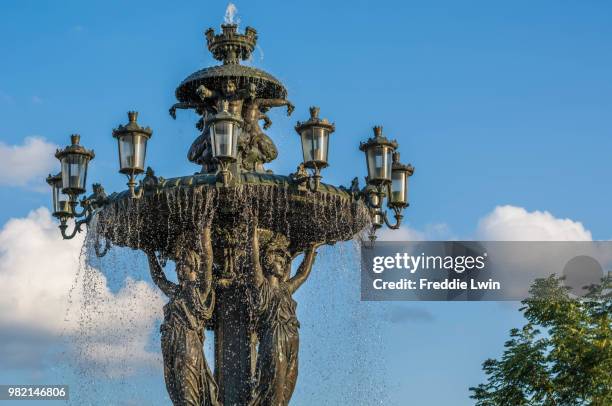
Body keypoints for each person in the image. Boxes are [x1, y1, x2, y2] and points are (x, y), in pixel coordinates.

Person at [249, 220, 322, 406]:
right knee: (274, 388)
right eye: (279, 261)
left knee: (288, 385)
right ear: (268, 263)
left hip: (292, 338)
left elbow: (302, 275)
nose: (282, 265)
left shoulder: (285, 289)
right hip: (275, 338)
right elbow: (254, 260)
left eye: (283, 262)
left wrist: (311, 250)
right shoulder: (263, 287)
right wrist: (252, 232)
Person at [146, 227, 220, 406]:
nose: (179, 270)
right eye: (177, 266)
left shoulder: (199, 290)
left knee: (188, 398)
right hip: (172, 346)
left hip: (188, 347)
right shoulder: (177, 292)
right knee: (179, 397)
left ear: (194, 266)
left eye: (183, 265)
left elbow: (208, 262)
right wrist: (149, 252)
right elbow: (158, 279)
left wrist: (205, 231)